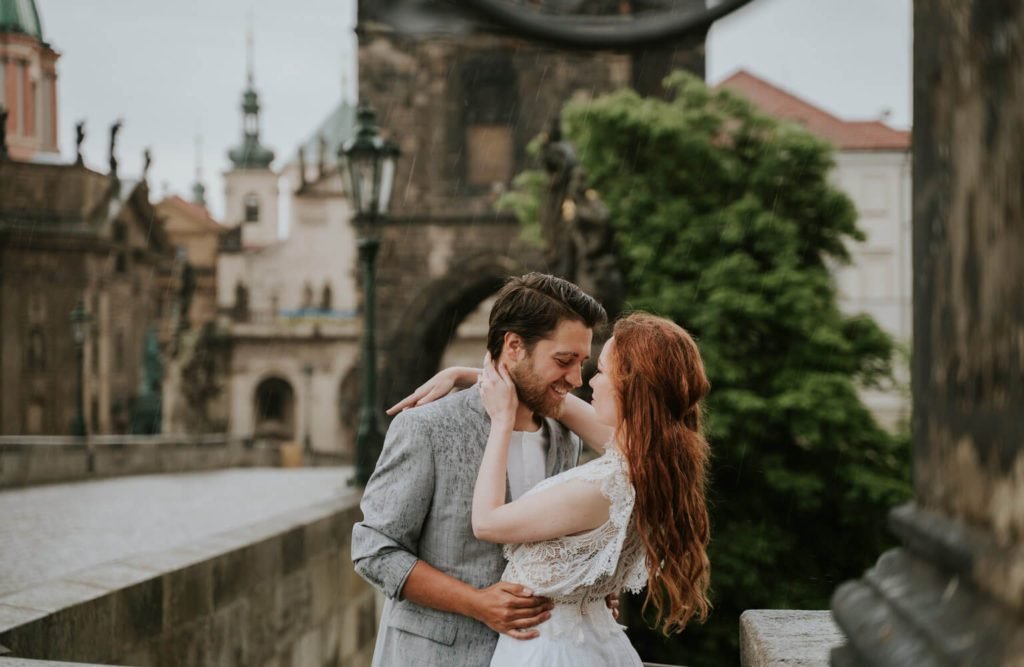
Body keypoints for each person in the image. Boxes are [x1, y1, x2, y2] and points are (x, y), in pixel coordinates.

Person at [402, 312, 712, 665]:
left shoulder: (602, 486)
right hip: (590, 643)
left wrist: (502, 422)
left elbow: (486, 522)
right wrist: (464, 375)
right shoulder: (650, 461)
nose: (589, 381)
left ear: (633, 387)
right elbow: (557, 401)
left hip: (551, 651)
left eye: (604, 371)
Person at [351, 273, 608, 667]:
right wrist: (476, 603)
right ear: (514, 346)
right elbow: (373, 551)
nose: (576, 379)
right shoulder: (427, 427)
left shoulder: (565, 439)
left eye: (582, 363)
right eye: (563, 361)